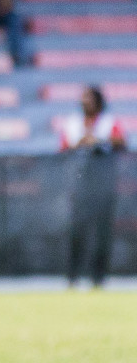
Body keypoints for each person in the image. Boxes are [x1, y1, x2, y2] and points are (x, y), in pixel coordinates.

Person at [60, 86, 125, 287]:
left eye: (89, 98)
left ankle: (98, 278)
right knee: (77, 232)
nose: (85, 102)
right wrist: (81, 142)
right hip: (79, 187)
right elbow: (62, 147)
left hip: (103, 187)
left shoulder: (108, 122)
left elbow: (121, 142)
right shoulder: (73, 123)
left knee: (102, 234)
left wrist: (99, 140)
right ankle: (73, 277)